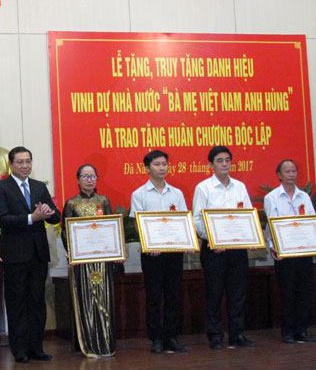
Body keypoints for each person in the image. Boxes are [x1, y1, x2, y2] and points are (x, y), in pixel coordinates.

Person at [0, 146, 60, 363]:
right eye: (20, 162)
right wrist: (32, 217)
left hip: (38, 255)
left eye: (28, 161)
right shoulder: (1, 188)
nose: (25, 166)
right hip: (15, 255)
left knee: (37, 302)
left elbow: (56, 217)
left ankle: (36, 348)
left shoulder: (39, 186)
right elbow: (3, 219)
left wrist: (48, 214)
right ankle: (19, 350)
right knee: (17, 302)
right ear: (10, 164)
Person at [192, 146, 255, 349]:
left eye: (227, 160)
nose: (225, 164)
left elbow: (247, 216)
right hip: (214, 250)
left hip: (237, 250)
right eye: (220, 160)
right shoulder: (203, 188)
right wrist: (212, 240)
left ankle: (237, 334)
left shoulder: (240, 187)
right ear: (211, 165)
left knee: (238, 293)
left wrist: (251, 238)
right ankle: (215, 335)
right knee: (214, 293)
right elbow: (198, 220)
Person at [129, 150, 188, 354]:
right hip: (151, 254)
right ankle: (156, 338)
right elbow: (138, 224)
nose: (162, 168)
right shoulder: (139, 194)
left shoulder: (177, 194)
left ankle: (171, 336)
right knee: (154, 296)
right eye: (157, 164)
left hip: (173, 252)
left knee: (174, 295)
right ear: (147, 168)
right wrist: (149, 245)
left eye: (164, 164)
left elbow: (182, 222)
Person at [61, 164, 116, 357]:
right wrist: (72, 252)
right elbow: (65, 232)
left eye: (92, 176)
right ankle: (87, 342)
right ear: (77, 180)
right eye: (85, 176)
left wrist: (116, 250)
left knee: (104, 299)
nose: (89, 180)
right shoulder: (71, 203)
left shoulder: (104, 201)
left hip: (102, 260)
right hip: (82, 262)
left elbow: (112, 226)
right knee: (86, 299)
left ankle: (106, 342)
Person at [263, 159, 316, 343]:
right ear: (279, 175)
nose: (291, 174)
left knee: (304, 291)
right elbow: (271, 224)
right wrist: (272, 245)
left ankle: (302, 330)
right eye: (287, 171)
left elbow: (312, 222)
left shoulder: (304, 197)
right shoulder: (272, 198)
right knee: (287, 292)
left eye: (294, 171)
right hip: (284, 252)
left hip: (304, 251)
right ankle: (288, 331)